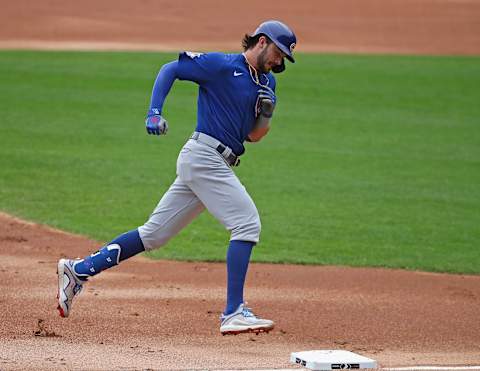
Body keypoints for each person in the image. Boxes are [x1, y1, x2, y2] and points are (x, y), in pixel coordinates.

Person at [57, 20, 297, 336]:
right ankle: (233, 312)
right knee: (247, 223)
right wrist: (154, 112)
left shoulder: (268, 84)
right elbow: (170, 69)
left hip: (217, 162)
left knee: (153, 235)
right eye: (279, 54)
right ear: (263, 42)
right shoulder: (221, 65)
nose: (279, 63)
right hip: (203, 156)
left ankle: (77, 271)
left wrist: (265, 114)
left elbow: (254, 137)